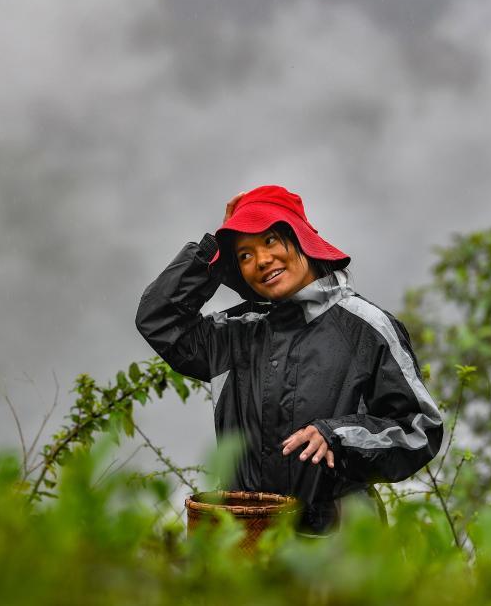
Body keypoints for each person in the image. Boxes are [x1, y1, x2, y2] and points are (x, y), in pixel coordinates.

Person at [135, 185, 443, 535]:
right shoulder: (237, 334)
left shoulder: (366, 327)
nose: (262, 260)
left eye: (270, 241)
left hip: (340, 544)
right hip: (246, 541)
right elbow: (160, 320)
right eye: (245, 255)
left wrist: (338, 436)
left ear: (301, 238)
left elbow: (420, 429)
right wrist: (212, 251)